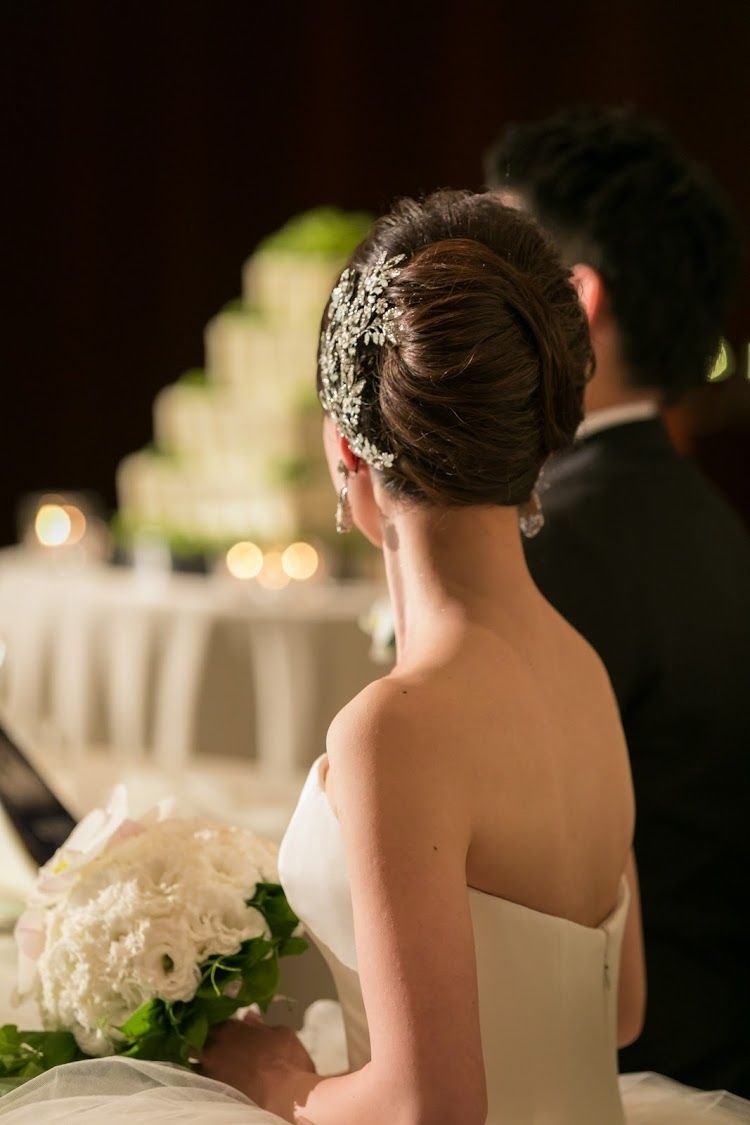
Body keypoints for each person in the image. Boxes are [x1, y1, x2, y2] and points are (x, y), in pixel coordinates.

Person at [2, 191, 749, 1124]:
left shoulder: (395, 728)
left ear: (344, 452)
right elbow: (620, 1008)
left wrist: (278, 1079)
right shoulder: (584, 671)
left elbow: (432, 1104)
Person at [485, 106, 750, 1097]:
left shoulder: (548, 546)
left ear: (574, 298)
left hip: (615, 1069)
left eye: (491, 273)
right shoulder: (705, 520)